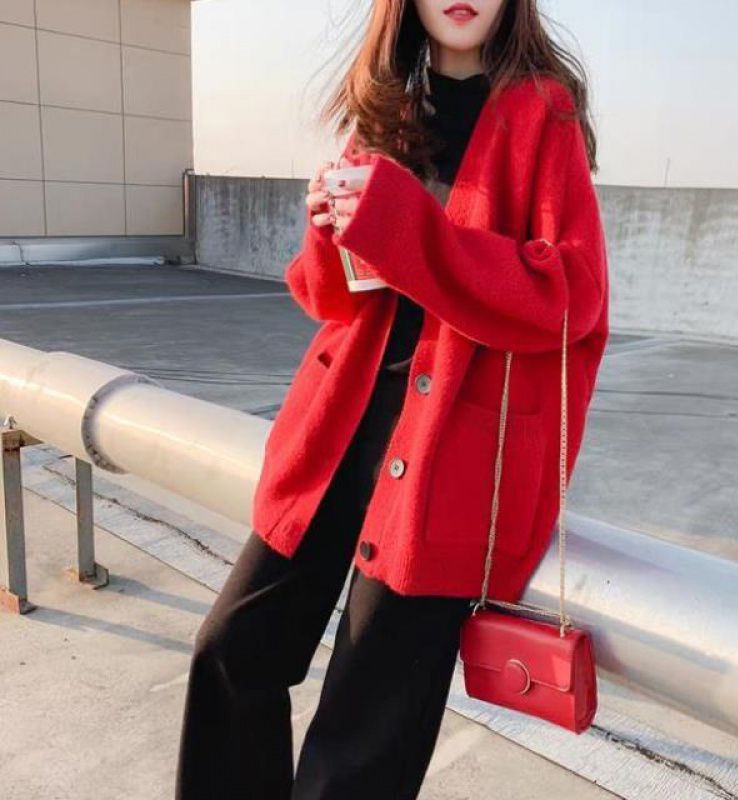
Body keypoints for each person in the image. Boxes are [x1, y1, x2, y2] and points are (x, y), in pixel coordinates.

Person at [176, 0, 609, 798]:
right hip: (338, 437)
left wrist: (404, 224)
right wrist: (328, 231)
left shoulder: (540, 111)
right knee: (231, 656)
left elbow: (572, 296)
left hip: (445, 465)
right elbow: (331, 300)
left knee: (356, 753)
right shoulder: (388, 112)